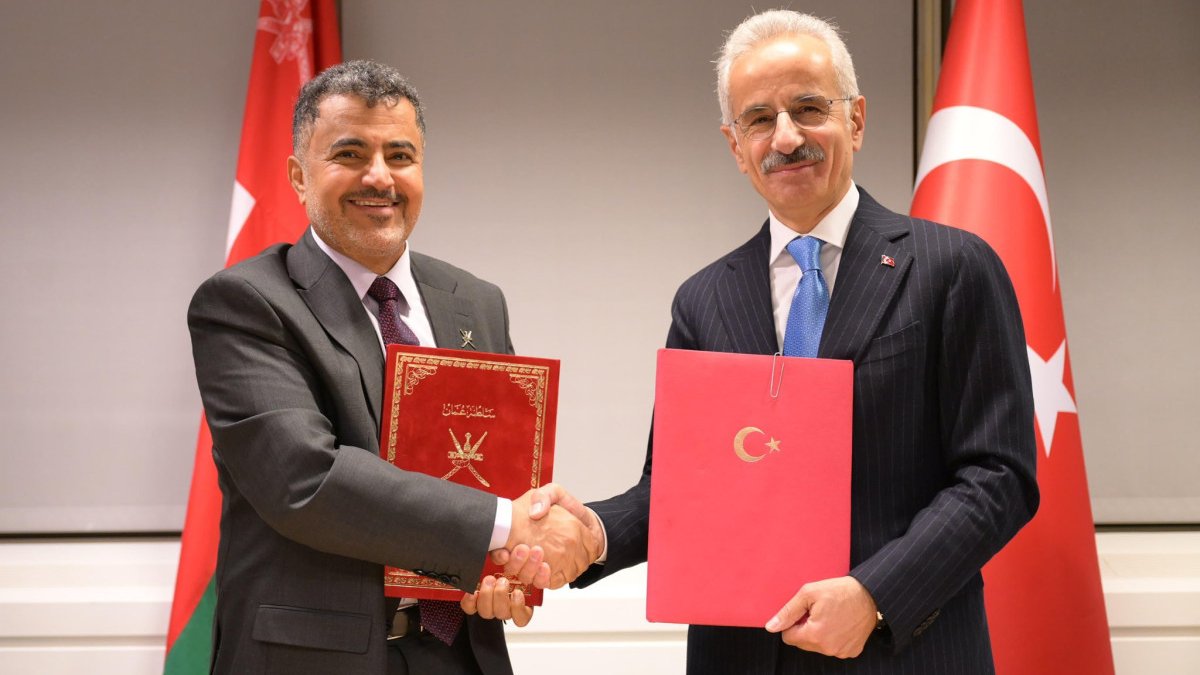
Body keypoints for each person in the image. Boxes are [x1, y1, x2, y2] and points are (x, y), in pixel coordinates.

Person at [505, 10, 1039, 674]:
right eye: (759, 119)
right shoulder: (704, 300)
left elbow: (998, 476)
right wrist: (593, 532)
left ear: (856, 119)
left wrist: (875, 596)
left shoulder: (953, 268)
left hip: (903, 652)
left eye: (809, 109)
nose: (786, 137)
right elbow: (676, 486)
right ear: (735, 146)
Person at [188, 60, 597, 675]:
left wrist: (504, 573)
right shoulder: (246, 303)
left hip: (460, 655)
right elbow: (307, 479)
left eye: (400, 156)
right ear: (299, 176)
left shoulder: (476, 302)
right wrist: (508, 525)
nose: (379, 176)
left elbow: (493, 473)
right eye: (350, 154)